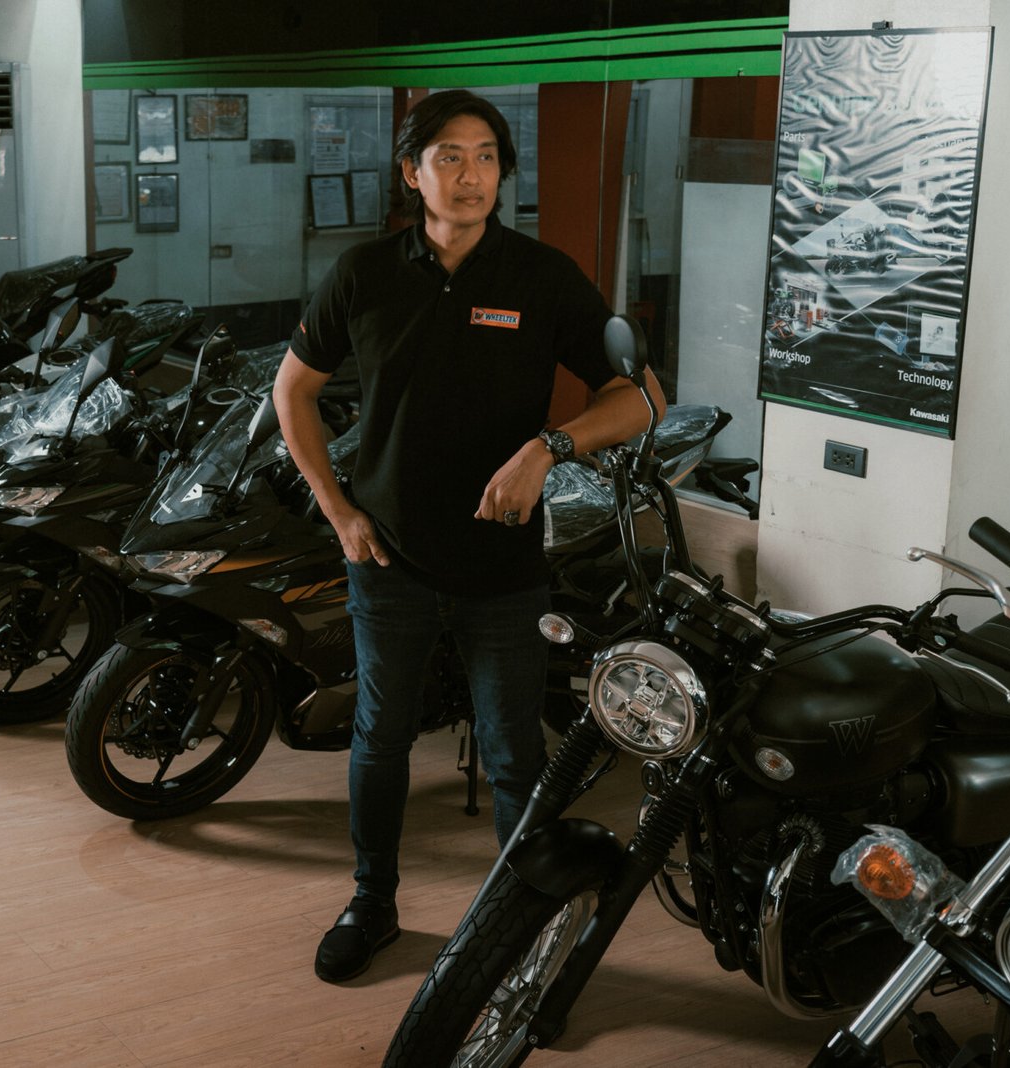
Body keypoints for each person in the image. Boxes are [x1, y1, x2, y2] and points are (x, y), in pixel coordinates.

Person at [272, 89, 665, 984]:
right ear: (411, 174)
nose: (471, 174)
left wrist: (547, 447)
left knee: (514, 753)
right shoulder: (365, 274)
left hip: (502, 560)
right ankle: (372, 903)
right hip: (389, 555)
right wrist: (338, 511)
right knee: (380, 739)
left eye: (486, 156)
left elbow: (643, 396)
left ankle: (517, 928)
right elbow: (292, 389)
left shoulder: (541, 276)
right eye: (448, 156)